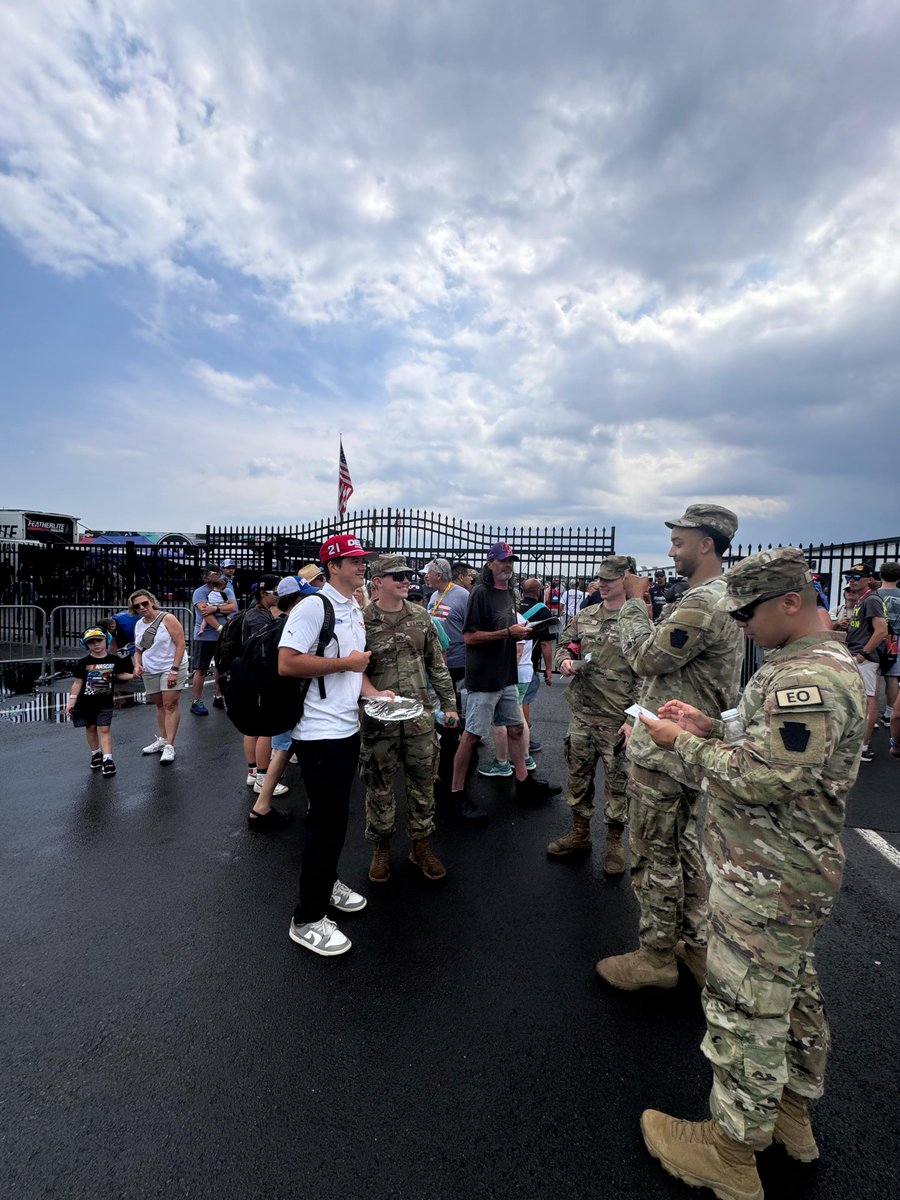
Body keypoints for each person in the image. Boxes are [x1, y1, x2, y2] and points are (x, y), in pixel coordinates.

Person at [637, 547, 865, 1200]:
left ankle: (732, 1150)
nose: (739, 623)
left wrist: (683, 743)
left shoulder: (807, 677)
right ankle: (790, 1118)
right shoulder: (808, 663)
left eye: (747, 610)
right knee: (791, 996)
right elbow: (775, 739)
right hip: (789, 874)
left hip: (768, 877)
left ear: (790, 602)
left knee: (745, 1010)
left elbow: (770, 776)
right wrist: (714, 722)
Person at [597, 504, 743, 992]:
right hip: (685, 743)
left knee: (653, 852)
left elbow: (645, 658)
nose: (670, 551)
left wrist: (636, 604)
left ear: (706, 544)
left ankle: (655, 956)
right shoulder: (720, 596)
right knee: (681, 847)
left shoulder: (703, 601)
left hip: (667, 752)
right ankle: (694, 944)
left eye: (679, 542)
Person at [278, 534, 394, 957]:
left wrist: (373, 692)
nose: (363, 566)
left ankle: (326, 884)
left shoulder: (353, 609)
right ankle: (306, 918)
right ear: (332, 566)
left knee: (334, 819)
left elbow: (355, 671)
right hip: (318, 733)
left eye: (363, 560)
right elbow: (287, 662)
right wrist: (348, 664)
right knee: (324, 823)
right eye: (353, 560)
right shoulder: (314, 606)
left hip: (345, 728)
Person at [362, 555, 458, 883]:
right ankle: (381, 847)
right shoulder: (362, 622)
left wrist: (449, 705)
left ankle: (421, 846)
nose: (405, 580)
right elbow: (352, 673)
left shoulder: (421, 617)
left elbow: (438, 665)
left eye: (406, 575)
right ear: (378, 582)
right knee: (379, 786)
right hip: (379, 723)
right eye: (397, 576)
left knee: (423, 784)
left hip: (419, 719)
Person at [449, 543, 561, 820]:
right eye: (502, 561)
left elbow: (511, 633)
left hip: (507, 676)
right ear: (490, 564)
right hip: (483, 679)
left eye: (510, 560)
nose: (507, 565)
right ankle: (457, 794)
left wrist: (528, 633)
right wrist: (507, 634)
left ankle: (523, 785)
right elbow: (470, 637)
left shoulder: (510, 593)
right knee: (472, 736)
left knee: (514, 730)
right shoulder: (480, 594)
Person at [547, 556, 639, 873]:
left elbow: (649, 676)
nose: (602, 583)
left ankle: (614, 843)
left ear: (626, 581)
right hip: (583, 715)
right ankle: (580, 834)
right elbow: (566, 642)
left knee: (618, 784)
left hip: (617, 719)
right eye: (600, 578)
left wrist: (633, 720)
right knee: (578, 778)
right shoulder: (586, 616)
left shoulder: (638, 623)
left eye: (610, 579)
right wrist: (563, 661)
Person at [248, 577, 305, 831]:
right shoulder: (290, 625)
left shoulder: (275, 623)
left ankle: (261, 806)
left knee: (284, 750)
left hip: (276, 696)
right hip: (288, 698)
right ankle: (262, 805)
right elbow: (290, 665)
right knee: (285, 748)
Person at [240, 575, 290, 800]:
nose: (278, 597)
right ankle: (262, 777)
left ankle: (253, 772)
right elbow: (265, 647)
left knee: (253, 727)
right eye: (275, 593)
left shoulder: (253, 613)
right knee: (265, 729)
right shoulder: (260, 618)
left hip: (249, 675)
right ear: (264, 594)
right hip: (261, 676)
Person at [65, 628, 134, 776]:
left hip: (105, 702)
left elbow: (120, 675)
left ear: (106, 641)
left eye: (99, 640)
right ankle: (96, 753)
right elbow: (77, 683)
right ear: (86, 645)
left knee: (104, 729)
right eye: (91, 642)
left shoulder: (114, 660)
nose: (96, 644)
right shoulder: (84, 662)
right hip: (85, 703)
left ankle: (108, 759)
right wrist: (71, 701)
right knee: (90, 728)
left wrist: (133, 675)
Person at [131, 589, 188, 763]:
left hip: (171, 666)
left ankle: (170, 745)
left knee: (170, 704)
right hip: (151, 668)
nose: (142, 607)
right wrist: (137, 664)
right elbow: (138, 649)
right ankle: (162, 739)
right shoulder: (139, 624)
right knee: (159, 705)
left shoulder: (167, 619)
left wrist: (174, 670)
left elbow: (180, 645)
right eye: (137, 606)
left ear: (152, 601)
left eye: (145, 603)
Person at [842, 564, 887, 763]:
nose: (852, 579)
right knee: (858, 698)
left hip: (865, 659)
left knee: (868, 699)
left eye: (857, 576)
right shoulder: (864, 599)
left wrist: (863, 653)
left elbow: (881, 631)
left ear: (869, 579)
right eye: (850, 576)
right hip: (859, 656)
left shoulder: (871, 600)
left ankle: (864, 746)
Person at [190, 565, 236, 715]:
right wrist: (220, 629)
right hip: (205, 636)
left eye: (208, 573)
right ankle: (196, 701)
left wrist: (216, 609)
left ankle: (219, 696)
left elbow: (233, 608)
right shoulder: (200, 591)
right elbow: (205, 612)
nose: (204, 575)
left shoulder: (227, 590)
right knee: (201, 669)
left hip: (222, 636)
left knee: (222, 668)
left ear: (217, 574)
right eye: (204, 573)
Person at [517, 577, 554, 750]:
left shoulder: (515, 608)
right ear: (539, 592)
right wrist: (548, 668)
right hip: (527, 662)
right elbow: (546, 643)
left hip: (508, 660)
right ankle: (525, 739)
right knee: (523, 702)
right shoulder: (543, 611)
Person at [874, 561, 900, 728]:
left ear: (881, 575)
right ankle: (890, 713)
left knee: (874, 675)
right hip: (896, 638)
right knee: (892, 677)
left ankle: (872, 714)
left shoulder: (874, 594)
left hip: (877, 637)